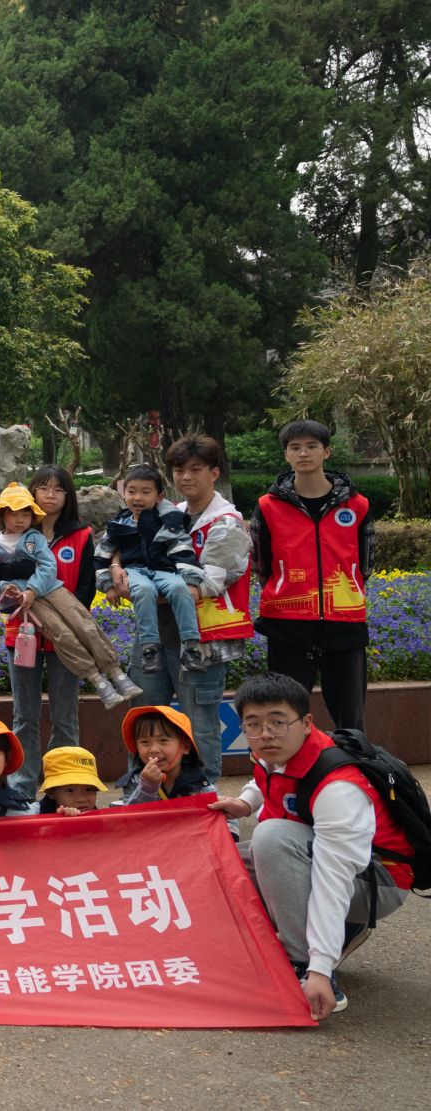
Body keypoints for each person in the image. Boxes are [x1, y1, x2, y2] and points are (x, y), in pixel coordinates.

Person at [212, 671, 411, 1019]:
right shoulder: (274, 751)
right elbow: (264, 776)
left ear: (306, 723)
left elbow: (333, 878)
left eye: (278, 721)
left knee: (271, 839)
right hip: (317, 851)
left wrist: (319, 967)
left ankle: (302, 962)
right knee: (218, 859)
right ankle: (338, 933)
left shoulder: (339, 788)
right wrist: (245, 803)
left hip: (379, 881)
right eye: (253, 724)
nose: (266, 734)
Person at [251, 420, 374, 732]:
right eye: (295, 448)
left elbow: (365, 562)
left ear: (326, 452)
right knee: (284, 716)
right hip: (287, 624)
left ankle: (354, 764)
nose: (303, 453)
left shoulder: (356, 505)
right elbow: (261, 563)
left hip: (344, 622)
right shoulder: (268, 506)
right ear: (286, 455)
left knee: (351, 720)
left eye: (311, 446)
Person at [0, 483, 138, 712]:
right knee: (62, 635)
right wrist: (6, 588)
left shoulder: (34, 537)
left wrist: (31, 589)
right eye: (14, 514)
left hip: (50, 589)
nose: (20, 519)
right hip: (29, 604)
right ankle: (98, 681)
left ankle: (116, 672)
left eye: (26, 514)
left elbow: (49, 566)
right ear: (2, 515)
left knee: (84, 623)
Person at [164, 433, 250, 781]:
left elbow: (211, 580)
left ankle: (205, 794)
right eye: (179, 470)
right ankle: (146, 796)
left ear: (214, 473)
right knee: (150, 716)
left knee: (200, 722)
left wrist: (157, 586)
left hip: (206, 637)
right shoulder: (171, 515)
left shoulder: (227, 522)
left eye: (195, 469)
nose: (186, 477)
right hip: (162, 630)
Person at [10, 465, 99, 797]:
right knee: (24, 716)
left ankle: (65, 784)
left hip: (66, 640)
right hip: (22, 634)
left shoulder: (82, 535)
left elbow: (87, 588)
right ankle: (22, 786)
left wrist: (64, 623)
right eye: (43, 488)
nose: (50, 495)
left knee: (65, 716)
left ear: (68, 495)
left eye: (58, 489)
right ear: (32, 492)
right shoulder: (16, 533)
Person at [101, 465, 206, 673]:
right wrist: (108, 586)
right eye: (132, 491)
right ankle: (150, 649)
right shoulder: (118, 523)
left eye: (146, 492)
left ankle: (192, 646)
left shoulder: (168, 520)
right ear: (124, 494)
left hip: (164, 570)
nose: (137, 498)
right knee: (144, 590)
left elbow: (181, 549)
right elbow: (101, 554)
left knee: (180, 588)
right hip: (135, 571)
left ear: (159, 496)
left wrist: (191, 580)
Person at [116, 704, 213, 804]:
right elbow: (131, 813)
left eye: (163, 740)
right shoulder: (134, 781)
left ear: (186, 747)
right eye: (145, 742)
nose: (154, 750)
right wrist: (147, 787)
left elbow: (214, 812)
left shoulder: (199, 784)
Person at [37, 746, 106, 815]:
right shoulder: (33, 812)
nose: (81, 799)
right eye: (70, 790)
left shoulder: (102, 816)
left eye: (89, 789)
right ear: (50, 792)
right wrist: (58, 819)